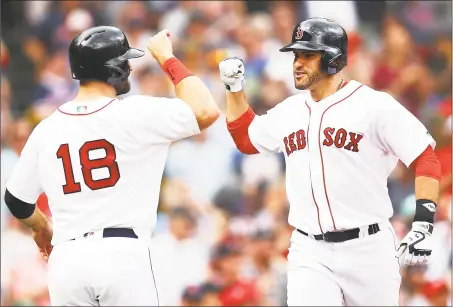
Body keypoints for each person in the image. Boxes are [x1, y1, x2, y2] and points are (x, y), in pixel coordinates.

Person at [218, 17, 441, 306]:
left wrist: (423, 224)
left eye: (308, 55)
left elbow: (426, 158)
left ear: (333, 59)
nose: (297, 63)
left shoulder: (374, 106)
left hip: (368, 248)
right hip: (309, 249)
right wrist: (234, 89)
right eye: (296, 55)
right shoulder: (290, 110)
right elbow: (246, 140)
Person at [4, 26, 219, 306]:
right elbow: (206, 110)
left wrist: (42, 228)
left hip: (67, 263)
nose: (129, 66)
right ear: (114, 69)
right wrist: (167, 58)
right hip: (123, 256)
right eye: (125, 61)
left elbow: (17, 200)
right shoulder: (135, 113)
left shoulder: (47, 128)